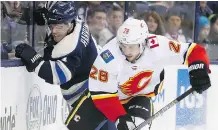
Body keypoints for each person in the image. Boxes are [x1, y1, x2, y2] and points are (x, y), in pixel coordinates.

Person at [87, 18, 211, 130]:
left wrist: (198, 68)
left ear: (143, 42)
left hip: (139, 97)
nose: (126, 51)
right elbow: (102, 94)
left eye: (131, 46)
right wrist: (119, 116)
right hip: (109, 99)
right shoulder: (108, 56)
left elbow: (193, 51)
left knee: (138, 126)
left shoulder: (158, 46)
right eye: (123, 46)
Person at [14, 1, 100, 129]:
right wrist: (18, 12)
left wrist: (34, 59)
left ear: (69, 24)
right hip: (96, 90)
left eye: (59, 27)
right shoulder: (73, 21)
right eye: (52, 25)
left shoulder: (72, 47)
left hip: (91, 97)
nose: (54, 31)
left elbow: (58, 76)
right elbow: (46, 17)